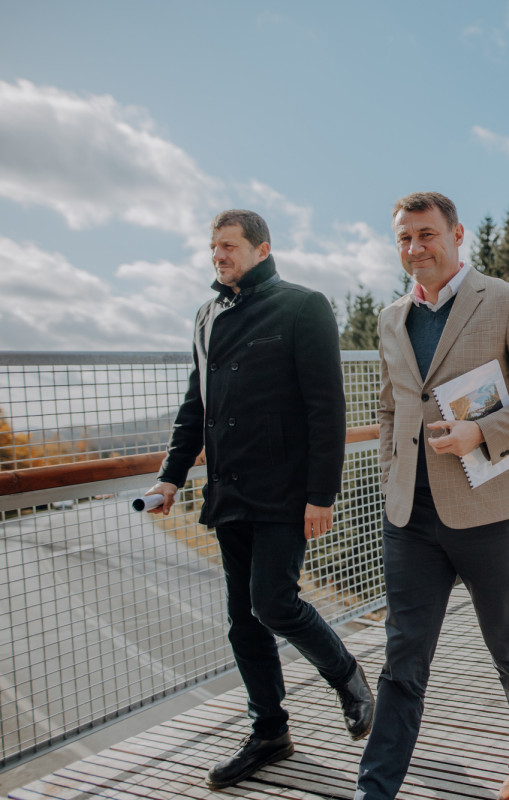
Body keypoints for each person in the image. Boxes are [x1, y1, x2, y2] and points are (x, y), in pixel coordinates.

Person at [144, 210, 374, 790]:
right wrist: (170, 478)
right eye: (212, 247)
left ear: (261, 248)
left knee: (273, 603)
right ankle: (270, 730)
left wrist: (321, 494)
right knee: (243, 623)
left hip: (287, 491)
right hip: (228, 491)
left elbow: (328, 410)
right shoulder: (205, 316)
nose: (217, 255)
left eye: (228, 245)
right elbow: (194, 408)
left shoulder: (303, 306)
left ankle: (346, 675)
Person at [357, 192, 509, 800]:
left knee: (508, 643)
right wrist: (391, 476)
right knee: (402, 659)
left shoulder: (505, 300)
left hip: (488, 511)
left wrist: (482, 431)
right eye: (404, 238)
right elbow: (391, 405)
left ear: (457, 236)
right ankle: (375, 789)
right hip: (409, 517)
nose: (414, 248)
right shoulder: (391, 317)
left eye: (426, 234)